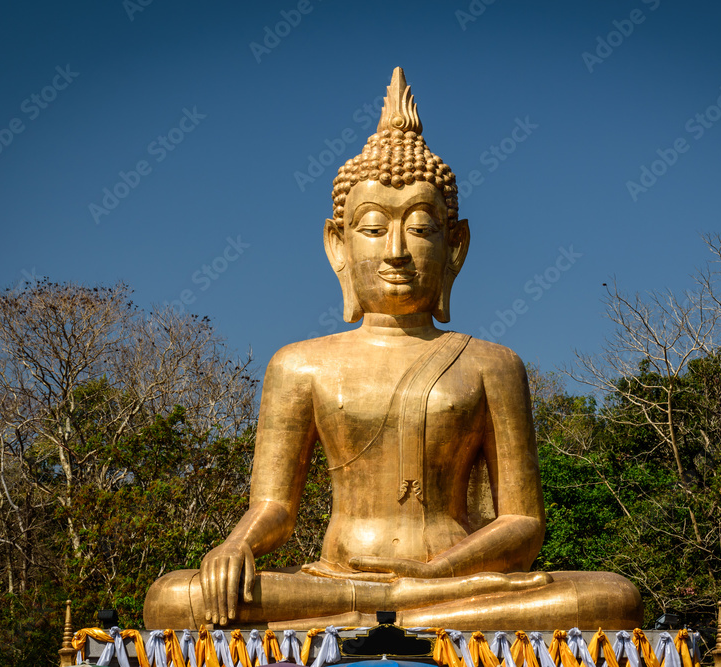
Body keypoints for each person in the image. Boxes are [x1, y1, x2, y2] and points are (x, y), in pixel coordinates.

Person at [143, 68, 642, 631]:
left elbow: (522, 524)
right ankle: (389, 613)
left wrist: (431, 577)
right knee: (174, 599)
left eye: (423, 229)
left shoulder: (491, 365)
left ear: (456, 247)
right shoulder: (300, 364)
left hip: (454, 579)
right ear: (338, 244)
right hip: (338, 578)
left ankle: (380, 616)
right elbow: (275, 509)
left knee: (611, 598)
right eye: (374, 228)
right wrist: (236, 547)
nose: (397, 251)